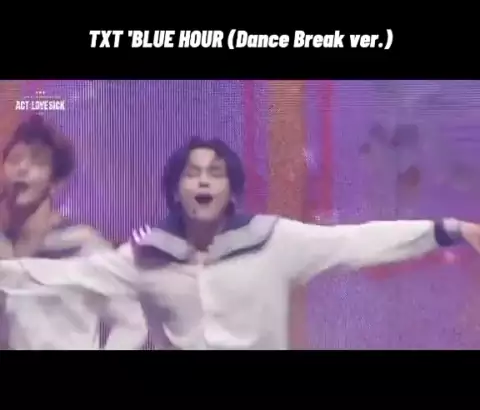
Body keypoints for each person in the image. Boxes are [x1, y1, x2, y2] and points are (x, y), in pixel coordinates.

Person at [1, 135, 480, 350]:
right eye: (192, 173)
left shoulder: (274, 241)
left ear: (231, 190)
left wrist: (451, 229)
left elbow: (356, 242)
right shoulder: (147, 256)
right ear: (176, 191)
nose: (203, 181)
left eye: (215, 173)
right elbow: (50, 275)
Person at [0, 114, 147, 350]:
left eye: (37, 161)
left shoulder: (83, 246)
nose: (22, 168)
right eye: (14, 159)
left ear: (55, 182)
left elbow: (133, 321)